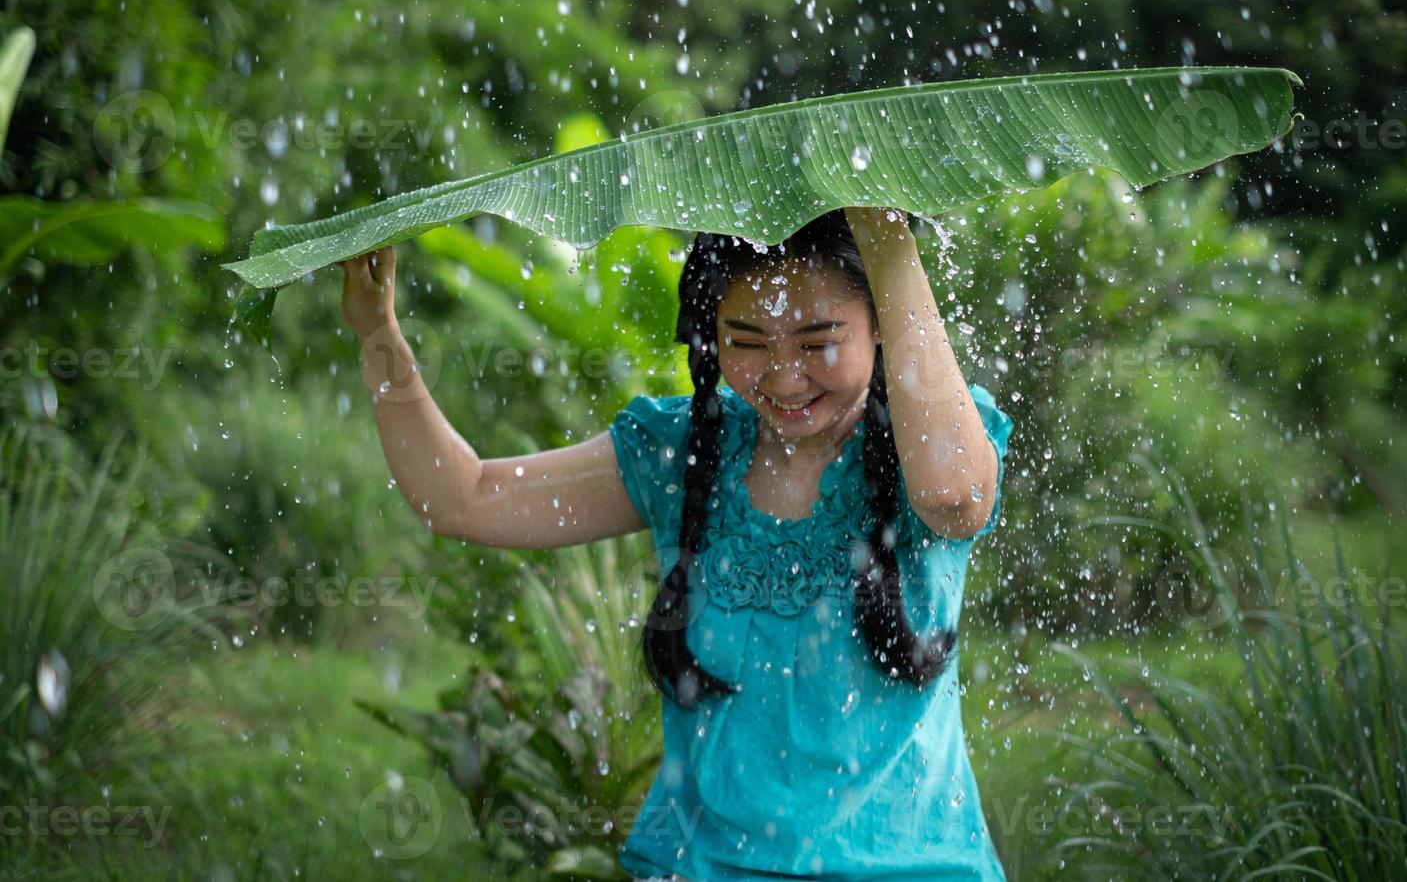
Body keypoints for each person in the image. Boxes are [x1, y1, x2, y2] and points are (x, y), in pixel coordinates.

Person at [338, 205, 1014, 881]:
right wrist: (378, 335)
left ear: (880, 325)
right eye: (746, 342)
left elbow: (956, 498)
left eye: (817, 344)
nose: (783, 378)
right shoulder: (681, 451)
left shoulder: (927, 449)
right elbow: (464, 499)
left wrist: (886, 239)